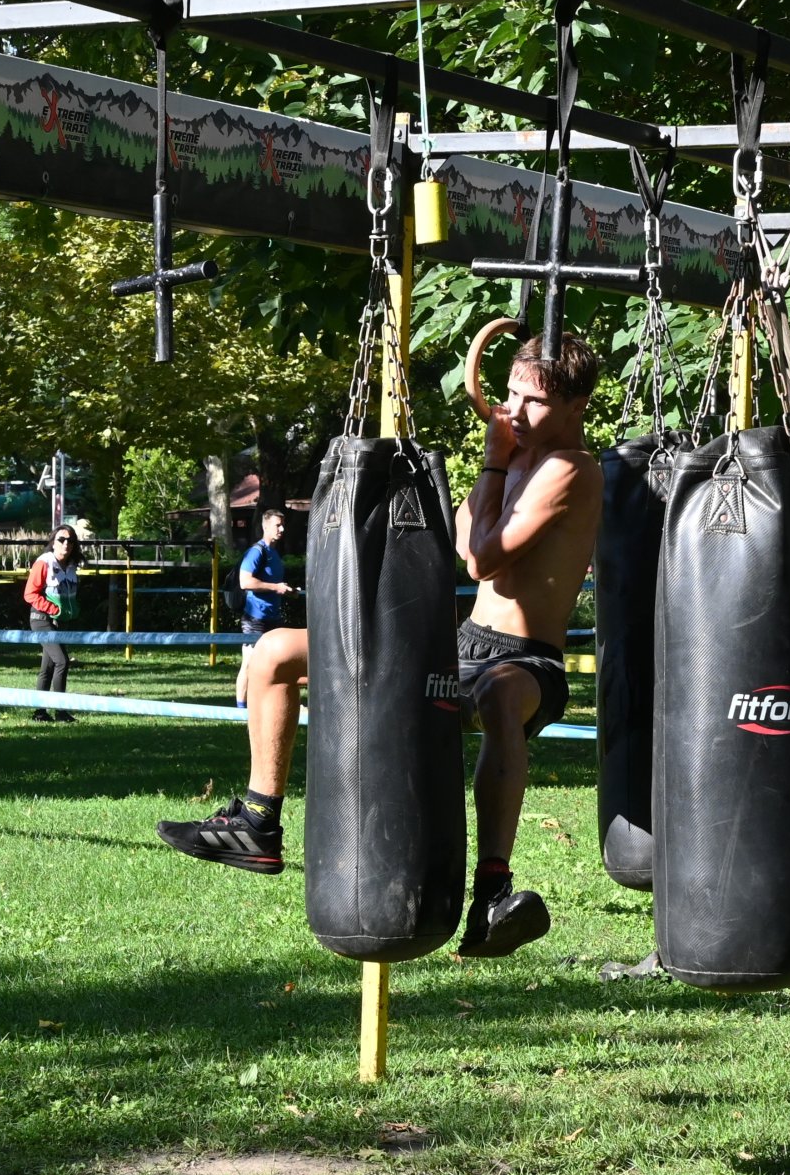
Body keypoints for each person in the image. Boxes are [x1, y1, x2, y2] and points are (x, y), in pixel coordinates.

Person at [157, 332, 604, 960]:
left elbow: (479, 558)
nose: (514, 412)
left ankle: (493, 892)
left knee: (502, 699)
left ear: (575, 405)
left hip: (526, 660)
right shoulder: (514, 458)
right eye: (510, 395)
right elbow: (459, 534)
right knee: (275, 652)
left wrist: (495, 462)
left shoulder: (569, 468)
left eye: (532, 402)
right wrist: (494, 463)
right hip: (465, 643)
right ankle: (258, 820)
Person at [235, 509, 293, 708]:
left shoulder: (274, 553)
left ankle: (267, 705)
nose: (282, 529)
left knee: (276, 665)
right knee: (250, 664)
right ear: (265, 526)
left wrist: (288, 590)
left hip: (273, 618)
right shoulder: (256, 552)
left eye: (283, 525)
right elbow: (245, 582)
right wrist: (277, 588)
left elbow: (273, 583)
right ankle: (241, 711)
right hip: (255, 618)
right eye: (278, 525)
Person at [23, 526, 82, 722]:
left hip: (61, 623)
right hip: (41, 621)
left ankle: (39, 713)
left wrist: (71, 610)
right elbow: (30, 594)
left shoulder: (72, 566)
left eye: (70, 541)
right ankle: (61, 711)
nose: (66, 543)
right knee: (62, 662)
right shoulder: (43, 563)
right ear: (53, 542)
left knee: (47, 668)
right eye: (62, 539)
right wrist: (53, 610)